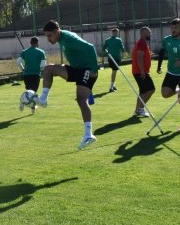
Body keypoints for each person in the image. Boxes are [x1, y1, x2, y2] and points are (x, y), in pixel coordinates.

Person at [37, 20, 99, 150]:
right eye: (46, 36)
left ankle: (88, 135)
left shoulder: (68, 39)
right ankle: (43, 99)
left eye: (49, 36)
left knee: (81, 99)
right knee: (48, 69)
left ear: (56, 31)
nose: (48, 39)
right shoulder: (62, 37)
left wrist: (93, 69)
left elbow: (90, 47)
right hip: (76, 69)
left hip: (86, 70)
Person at [156, 18, 180, 132]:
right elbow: (161, 53)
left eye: (176, 28)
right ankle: (178, 92)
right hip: (171, 72)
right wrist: (159, 66)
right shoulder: (166, 40)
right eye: (172, 28)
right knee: (165, 94)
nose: (173, 30)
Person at [17, 36, 47, 114]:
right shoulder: (41, 52)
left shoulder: (24, 51)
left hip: (26, 75)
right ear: (37, 43)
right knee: (33, 93)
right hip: (35, 74)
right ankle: (23, 103)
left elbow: (18, 62)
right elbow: (43, 65)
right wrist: (40, 70)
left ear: (30, 43)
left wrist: (23, 68)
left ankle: (32, 107)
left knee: (30, 91)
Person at [131, 26, 155, 117]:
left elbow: (142, 55)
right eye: (148, 32)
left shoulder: (143, 43)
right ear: (142, 34)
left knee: (143, 92)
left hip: (138, 71)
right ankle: (140, 109)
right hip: (140, 71)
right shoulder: (142, 42)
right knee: (151, 89)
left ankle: (137, 110)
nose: (150, 34)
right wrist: (142, 71)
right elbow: (139, 57)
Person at [102, 28, 125, 92]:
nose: (116, 34)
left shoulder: (118, 40)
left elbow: (122, 49)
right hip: (113, 58)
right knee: (114, 71)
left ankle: (113, 85)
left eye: (117, 32)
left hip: (116, 58)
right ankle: (111, 87)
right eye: (115, 32)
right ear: (112, 33)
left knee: (114, 71)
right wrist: (106, 52)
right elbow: (103, 49)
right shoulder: (109, 40)